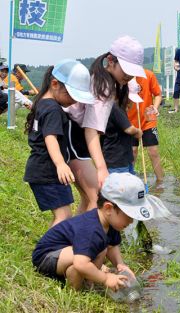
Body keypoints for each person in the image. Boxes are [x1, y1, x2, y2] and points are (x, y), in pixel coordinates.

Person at [64, 35, 146, 213]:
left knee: (89, 197)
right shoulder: (103, 85)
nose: (129, 75)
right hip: (72, 135)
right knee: (97, 195)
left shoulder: (107, 82)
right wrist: (101, 168)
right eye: (126, 69)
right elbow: (91, 129)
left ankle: (77, 237)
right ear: (110, 60)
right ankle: (89, 239)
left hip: (76, 136)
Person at [31, 173, 153, 290]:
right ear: (108, 208)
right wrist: (105, 279)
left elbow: (112, 246)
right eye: (128, 216)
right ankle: (77, 291)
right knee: (80, 265)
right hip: (47, 257)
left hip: (65, 253)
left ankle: (89, 279)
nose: (131, 221)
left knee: (100, 249)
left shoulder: (110, 223)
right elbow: (80, 263)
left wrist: (120, 264)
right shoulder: (91, 229)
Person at [23, 59, 95, 227]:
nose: (74, 101)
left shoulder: (42, 104)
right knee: (63, 216)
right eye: (71, 95)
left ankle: (53, 249)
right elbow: (50, 137)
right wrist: (61, 164)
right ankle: (48, 251)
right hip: (48, 172)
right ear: (54, 84)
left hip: (41, 169)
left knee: (63, 216)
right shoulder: (54, 109)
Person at [127, 69, 165, 183]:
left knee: (153, 151)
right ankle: (130, 181)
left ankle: (160, 182)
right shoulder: (124, 75)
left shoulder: (148, 75)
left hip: (148, 119)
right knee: (132, 151)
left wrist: (155, 107)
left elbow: (158, 94)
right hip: (129, 121)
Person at [101, 78, 143, 175]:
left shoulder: (116, 108)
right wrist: (138, 132)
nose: (131, 103)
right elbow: (129, 129)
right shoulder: (115, 108)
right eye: (130, 99)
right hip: (116, 162)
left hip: (123, 159)